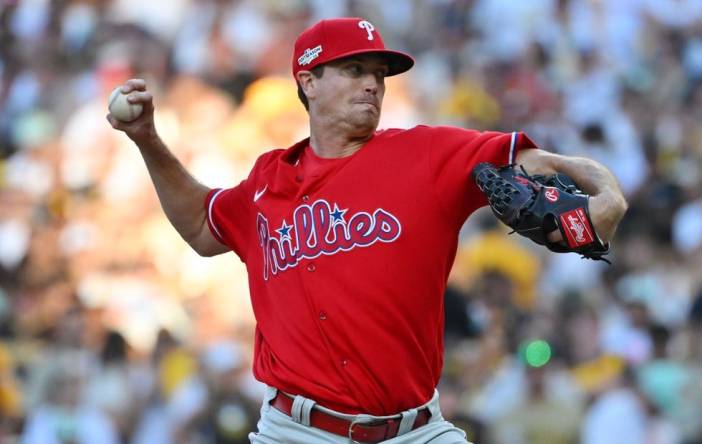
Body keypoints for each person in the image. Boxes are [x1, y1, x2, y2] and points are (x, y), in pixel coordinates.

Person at [108, 17, 627, 444]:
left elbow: (536, 161)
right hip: (296, 432)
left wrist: (605, 194)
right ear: (308, 81)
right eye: (354, 69)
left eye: (378, 73)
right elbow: (202, 224)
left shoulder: (425, 153)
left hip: (415, 431)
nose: (373, 83)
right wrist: (147, 139)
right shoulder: (268, 180)